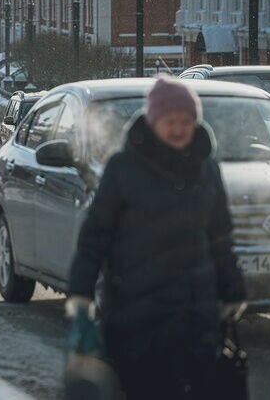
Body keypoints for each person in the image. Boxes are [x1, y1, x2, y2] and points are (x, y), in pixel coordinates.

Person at [67, 76, 247, 400]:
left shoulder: (207, 170)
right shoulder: (123, 169)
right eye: (170, 121)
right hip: (136, 319)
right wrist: (80, 296)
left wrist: (233, 291)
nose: (178, 129)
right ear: (153, 122)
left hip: (197, 318)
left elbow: (221, 237)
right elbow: (94, 238)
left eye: (186, 121)